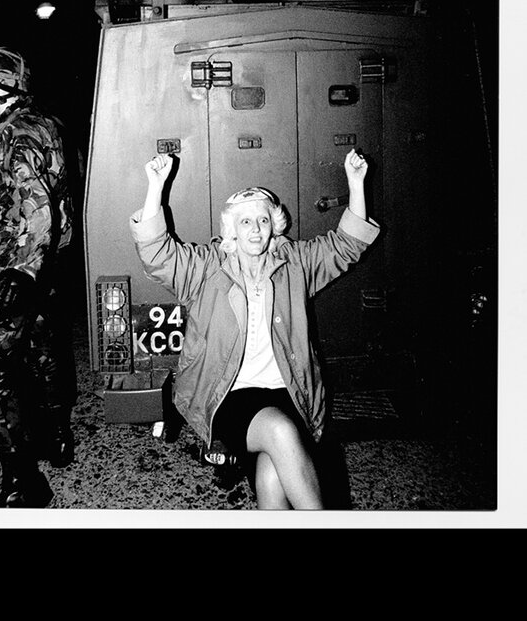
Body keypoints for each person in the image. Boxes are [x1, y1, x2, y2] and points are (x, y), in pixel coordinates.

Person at [131, 147, 378, 510]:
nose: (255, 229)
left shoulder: (294, 263)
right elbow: (157, 254)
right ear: (231, 229)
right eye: (245, 221)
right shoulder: (208, 268)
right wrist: (155, 187)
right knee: (280, 433)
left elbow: (345, 246)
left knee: (273, 475)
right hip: (230, 393)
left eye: (262, 220)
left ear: (274, 226)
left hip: (288, 390)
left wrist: (356, 184)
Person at [0, 47, 76, 507]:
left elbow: (36, 204)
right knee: (43, 344)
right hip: (52, 260)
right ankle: (58, 437)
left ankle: (23, 479)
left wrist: (20, 272)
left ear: (0, 84)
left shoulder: (10, 133)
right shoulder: (47, 123)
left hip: (22, 262)